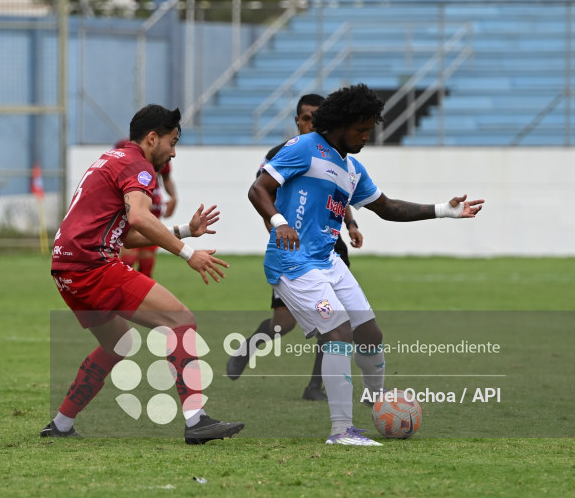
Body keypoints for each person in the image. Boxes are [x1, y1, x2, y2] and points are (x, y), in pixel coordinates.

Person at [248, 84, 483, 446]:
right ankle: (341, 431)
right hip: (293, 265)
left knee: (370, 333)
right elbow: (258, 189)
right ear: (341, 124)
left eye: (370, 128)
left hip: (327, 262)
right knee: (338, 334)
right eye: (362, 129)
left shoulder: (352, 168)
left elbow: (387, 208)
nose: (367, 135)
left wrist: (443, 211)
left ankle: (379, 404)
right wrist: (280, 222)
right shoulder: (304, 148)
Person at [42, 104, 244, 444]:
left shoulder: (112, 159)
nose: (174, 152)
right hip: (93, 265)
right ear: (152, 138)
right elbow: (137, 217)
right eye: (172, 141)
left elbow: (124, 231)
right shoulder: (139, 167)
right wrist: (188, 254)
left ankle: (61, 423)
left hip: (66, 268)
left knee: (118, 343)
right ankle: (197, 421)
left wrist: (183, 231)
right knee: (181, 320)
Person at [226, 94, 364, 403]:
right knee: (282, 323)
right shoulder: (283, 153)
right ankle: (248, 348)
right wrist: (278, 230)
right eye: (306, 118)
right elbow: (263, 194)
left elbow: (339, 194)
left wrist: (351, 224)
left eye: (317, 117)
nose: (311, 123)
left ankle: (315, 385)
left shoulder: (335, 154)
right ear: (297, 121)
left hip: (329, 249)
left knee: (335, 319)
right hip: (291, 252)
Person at [118, 137, 178, 278]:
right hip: (133, 206)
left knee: (147, 262)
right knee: (129, 258)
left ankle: (140, 297)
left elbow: (166, 176)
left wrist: (173, 197)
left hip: (153, 207)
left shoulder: (161, 149)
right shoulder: (125, 147)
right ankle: (118, 294)